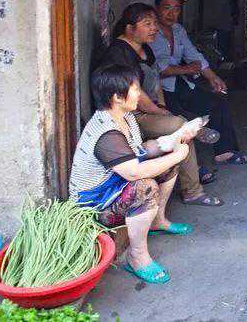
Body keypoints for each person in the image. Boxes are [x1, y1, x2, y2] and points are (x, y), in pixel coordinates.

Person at [69, 64, 197, 284]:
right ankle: (136, 256)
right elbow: (133, 172)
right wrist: (177, 155)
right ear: (117, 97)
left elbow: (140, 151)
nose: (140, 94)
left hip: (113, 186)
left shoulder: (125, 118)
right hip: (95, 204)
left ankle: (157, 221)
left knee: (167, 162)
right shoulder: (106, 133)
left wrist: (171, 141)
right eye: (135, 89)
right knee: (145, 187)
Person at [101, 3, 222, 206]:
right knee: (179, 126)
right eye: (147, 24)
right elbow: (135, 93)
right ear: (129, 28)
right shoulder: (118, 53)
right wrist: (158, 111)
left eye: (154, 23)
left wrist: (162, 106)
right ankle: (192, 189)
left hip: (150, 110)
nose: (154, 29)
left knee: (180, 127)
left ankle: (192, 180)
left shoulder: (145, 49)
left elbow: (155, 79)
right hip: (130, 114)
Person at [151, 0, 247, 165]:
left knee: (217, 104)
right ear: (156, 9)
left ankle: (224, 152)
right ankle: (192, 169)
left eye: (176, 9)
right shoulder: (151, 32)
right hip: (158, 90)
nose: (171, 14)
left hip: (178, 84)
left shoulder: (178, 30)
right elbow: (159, 68)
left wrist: (212, 77)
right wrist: (187, 69)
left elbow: (193, 54)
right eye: (167, 8)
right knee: (179, 120)